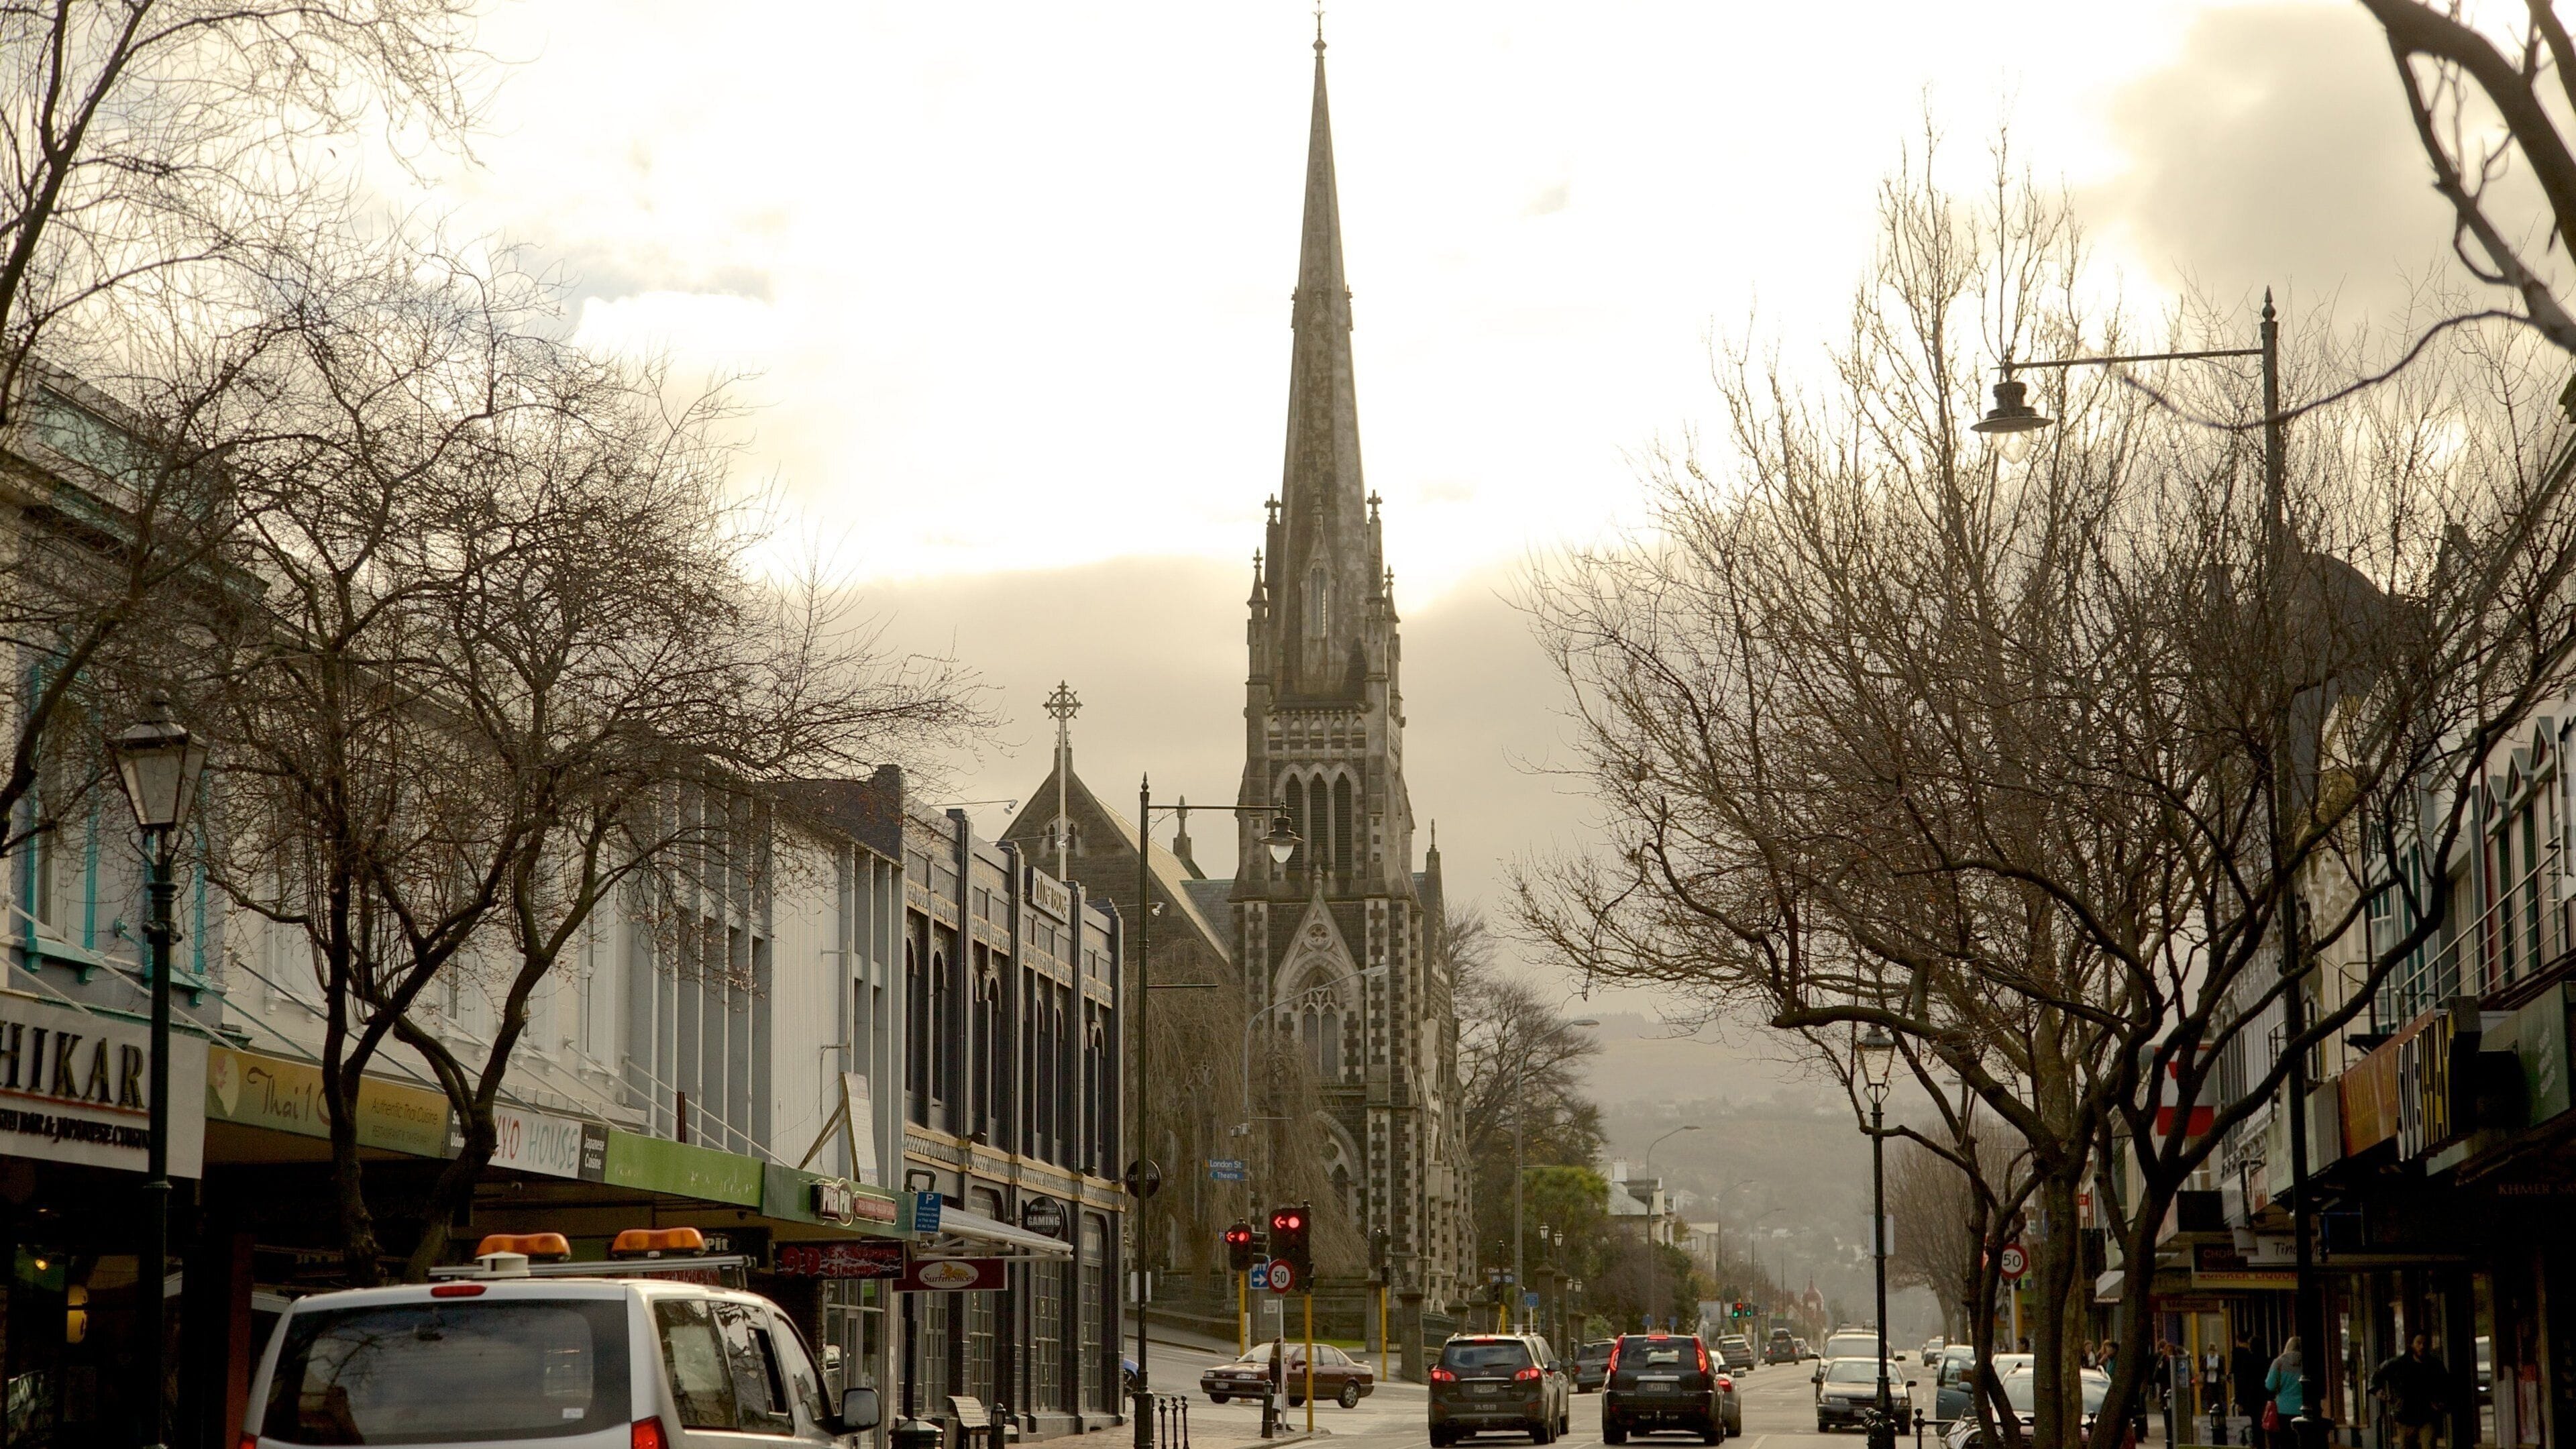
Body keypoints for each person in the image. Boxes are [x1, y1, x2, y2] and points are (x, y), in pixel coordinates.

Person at [2373, 1333, 2451, 1449]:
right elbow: (2376, 1375)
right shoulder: (2399, 1363)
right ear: (2412, 1345)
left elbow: (2446, 1385)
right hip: (2406, 1415)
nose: (2422, 1346)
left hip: (2427, 1415)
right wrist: (2378, 1391)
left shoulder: (2435, 1365)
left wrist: (2442, 1403)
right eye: (2418, 1343)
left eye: (2425, 1344)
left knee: (2429, 1444)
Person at [2266, 1338, 2306, 1449]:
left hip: (2283, 1409)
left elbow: (2270, 1385)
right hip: (2304, 1409)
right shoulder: (2307, 1362)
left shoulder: (2278, 1362)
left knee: (2286, 1443)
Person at [2233, 1333, 2270, 1446]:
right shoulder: (2268, 1361)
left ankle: (2254, 1444)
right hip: (2264, 1398)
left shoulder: (2246, 1361)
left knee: (2252, 1426)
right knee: (2263, 1425)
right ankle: (2262, 1444)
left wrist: (2239, 1401)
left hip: (2250, 1399)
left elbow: (2241, 1382)